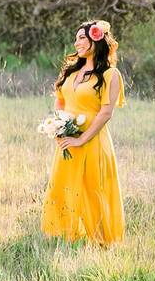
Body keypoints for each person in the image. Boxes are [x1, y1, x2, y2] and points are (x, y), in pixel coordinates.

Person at [42, 20, 125, 245]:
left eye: (82, 37)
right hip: (68, 138)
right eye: (76, 37)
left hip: (92, 140)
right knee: (66, 184)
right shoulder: (72, 70)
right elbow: (61, 101)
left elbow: (106, 112)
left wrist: (81, 139)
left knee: (93, 189)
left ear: (96, 40)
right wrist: (59, 126)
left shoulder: (110, 74)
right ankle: (66, 236)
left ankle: (100, 240)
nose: (76, 42)